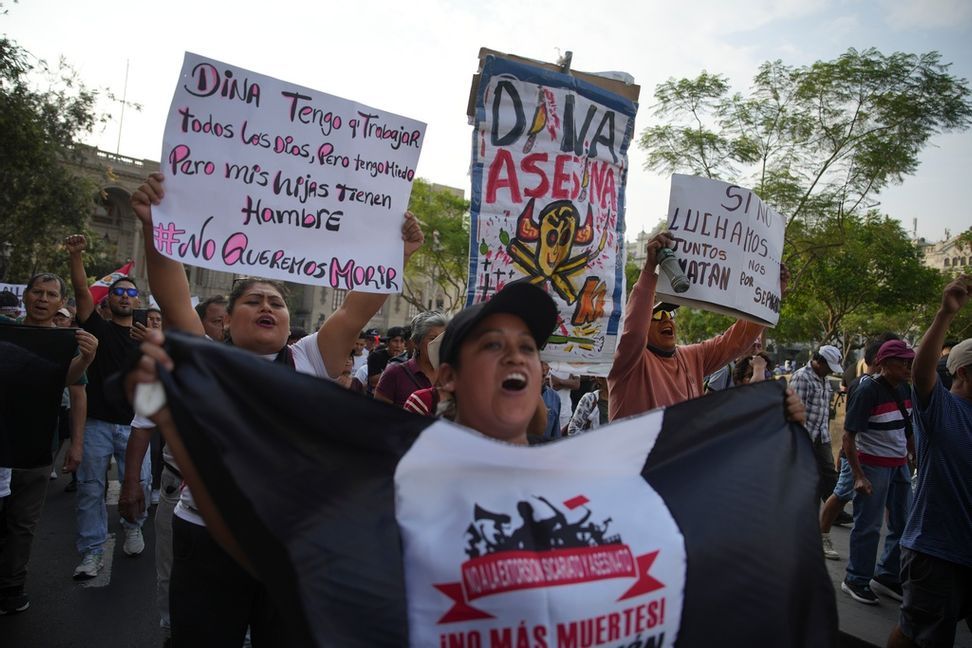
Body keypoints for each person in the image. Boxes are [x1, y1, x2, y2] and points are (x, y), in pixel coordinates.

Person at [126, 170, 424, 647]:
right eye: (254, 301)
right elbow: (173, 294)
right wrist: (153, 226)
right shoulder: (203, 357)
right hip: (206, 534)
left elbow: (355, 311)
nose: (268, 306)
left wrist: (398, 255)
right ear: (226, 322)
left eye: (277, 302)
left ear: (289, 321)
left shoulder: (309, 356)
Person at [608, 231, 790, 419]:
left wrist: (769, 298)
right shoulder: (628, 361)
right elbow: (634, 333)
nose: (667, 319)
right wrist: (649, 269)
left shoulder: (692, 356)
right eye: (658, 314)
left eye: (670, 313)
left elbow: (736, 340)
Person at [0, 273, 97, 615]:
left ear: (60, 304)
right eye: (37, 292)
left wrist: (77, 445)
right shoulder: (4, 328)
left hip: (37, 447)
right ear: (25, 297)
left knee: (22, 523)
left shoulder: (65, 343)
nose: (42, 299)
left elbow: (74, 387)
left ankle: (11, 587)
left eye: (51, 294)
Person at [887, 275, 972, 648]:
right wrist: (945, 314)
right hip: (935, 551)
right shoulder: (942, 407)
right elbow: (921, 374)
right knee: (922, 636)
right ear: (964, 373)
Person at [65, 235, 153, 577]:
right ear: (110, 299)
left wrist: (152, 346)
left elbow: (164, 376)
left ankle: (133, 525)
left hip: (136, 426)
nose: (125, 297)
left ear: (138, 300)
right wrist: (76, 257)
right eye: (119, 291)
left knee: (142, 482)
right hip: (98, 423)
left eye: (131, 293)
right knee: (90, 488)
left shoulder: (147, 336)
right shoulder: (97, 328)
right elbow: (82, 293)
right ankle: (91, 551)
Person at [841, 339, 915, 605]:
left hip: (899, 466)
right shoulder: (867, 391)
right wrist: (859, 475)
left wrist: (911, 453)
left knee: (904, 523)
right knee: (869, 525)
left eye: (910, 361)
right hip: (873, 466)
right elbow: (849, 438)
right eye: (902, 361)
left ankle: (886, 575)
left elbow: (906, 426)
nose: (908, 366)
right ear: (883, 364)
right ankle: (855, 578)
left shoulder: (906, 388)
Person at [789, 345, 843, 539]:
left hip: (821, 434)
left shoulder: (824, 378)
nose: (829, 371)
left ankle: (834, 512)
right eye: (828, 366)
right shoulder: (802, 377)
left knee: (829, 472)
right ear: (818, 361)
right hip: (805, 434)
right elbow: (794, 409)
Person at [374, 311, 446, 407]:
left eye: (443, 338)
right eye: (433, 338)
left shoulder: (450, 375)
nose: (439, 344)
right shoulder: (395, 373)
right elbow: (378, 416)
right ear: (416, 342)